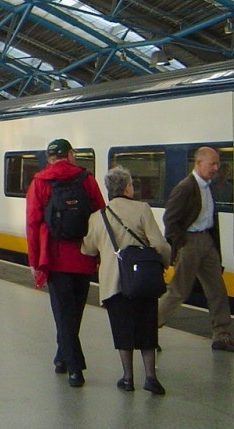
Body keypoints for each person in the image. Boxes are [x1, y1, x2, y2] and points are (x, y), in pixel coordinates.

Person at [81, 167, 170, 394]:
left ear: (109, 190)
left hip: (114, 284)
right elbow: (159, 245)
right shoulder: (142, 209)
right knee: (147, 328)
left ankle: (128, 378)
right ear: (128, 187)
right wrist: (165, 262)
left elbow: (88, 249)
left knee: (123, 330)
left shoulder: (98, 217)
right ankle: (151, 377)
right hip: (143, 280)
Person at [26, 138, 106, 387]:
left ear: (49, 158)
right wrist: (100, 253)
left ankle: (74, 367)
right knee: (74, 314)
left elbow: (32, 223)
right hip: (84, 255)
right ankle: (62, 358)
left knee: (63, 314)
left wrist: (34, 261)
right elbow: (101, 215)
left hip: (55, 257)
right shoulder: (87, 180)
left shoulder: (40, 182)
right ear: (70, 155)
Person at [157, 147, 234, 352]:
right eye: (212, 164)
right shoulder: (185, 187)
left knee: (217, 289)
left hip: (206, 240)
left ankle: (222, 334)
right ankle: (149, 328)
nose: (216, 168)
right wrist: (180, 243)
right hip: (189, 242)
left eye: (217, 164)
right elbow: (170, 219)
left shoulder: (208, 186)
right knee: (178, 291)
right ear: (198, 163)